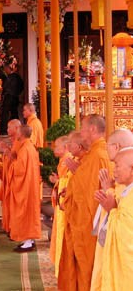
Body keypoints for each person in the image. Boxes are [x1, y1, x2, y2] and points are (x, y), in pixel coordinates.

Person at [58, 114, 111, 291]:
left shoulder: (99, 155)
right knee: (81, 265)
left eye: (82, 128)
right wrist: (72, 185)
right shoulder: (91, 155)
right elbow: (85, 183)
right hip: (82, 221)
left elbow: (95, 192)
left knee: (88, 265)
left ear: (93, 129)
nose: (81, 132)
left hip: (88, 223)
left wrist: (77, 176)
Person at [90, 129, 133, 291]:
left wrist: (110, 208)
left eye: (117, 166)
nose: (114, 170)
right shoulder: (125, 187)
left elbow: (127, 233)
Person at [8, 125, 42, 252]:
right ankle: (28, 240)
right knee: (29, 212)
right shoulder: (28, 147)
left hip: (25, 187)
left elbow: (19, 170)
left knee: (25, 212)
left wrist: (11, 160)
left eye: (17, 132)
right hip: (29, 185)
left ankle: (27, 241)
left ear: (21, 135)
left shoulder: (25, 149)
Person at [48, 135, 72, 277]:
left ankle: (62, 264)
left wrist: (57, 181)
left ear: (66, 148)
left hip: (65, 203)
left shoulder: (67, 161)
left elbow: (66, 182)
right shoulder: (63, 160)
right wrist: (57, 181)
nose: (53, 149)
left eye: (56, 147)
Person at [0, 119, 21, 234]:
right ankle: (10, 228)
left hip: (16, 181)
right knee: (9, 205)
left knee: (15, 207)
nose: (7, 130)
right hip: (9, 178)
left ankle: (15, 230)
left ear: (17, 128)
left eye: (9, 127)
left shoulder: (21, 143)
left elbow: (19, 163)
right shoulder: (13, 141)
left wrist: (7, 151)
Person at [0, 64, 24, 135]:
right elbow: (21, 87)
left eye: (6, 69)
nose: (5, 71)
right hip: (15, 97)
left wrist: (4, 93)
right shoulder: (17, 77)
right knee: (14, 113)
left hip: (9, 97)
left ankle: (4, 130)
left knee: (5, 113)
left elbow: (5, 87)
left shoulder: (11, 77)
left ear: (8, 69)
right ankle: (17, 129)